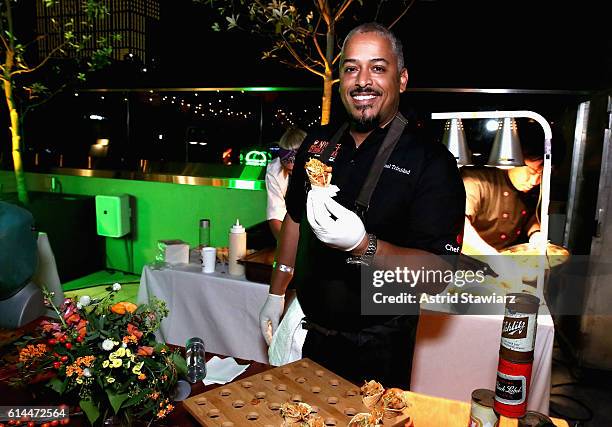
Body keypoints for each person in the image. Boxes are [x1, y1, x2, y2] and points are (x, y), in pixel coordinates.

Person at [258, 23, 465, 388]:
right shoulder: (318, 142)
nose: (362, 81)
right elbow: (294, 218)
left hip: (377, 347)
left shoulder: (432, 162)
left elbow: (437, 276)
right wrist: (276, 292)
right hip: (308, 332)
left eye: (378, 68)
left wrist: (364, 246)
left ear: (401, 80)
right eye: (352, 68)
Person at [461, 142, 544, 257]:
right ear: (513, 159)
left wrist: (536, 235)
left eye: (541, 175)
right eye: (531, 172)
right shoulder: (477, 181)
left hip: (506, 254)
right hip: (468, 260)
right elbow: (458, 226)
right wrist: (492, 257)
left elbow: (530, 217)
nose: (534, 181)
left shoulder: (530, 190)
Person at [265, 127, 307, 240]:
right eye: (289, 171)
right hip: (291, 227)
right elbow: (275, 214)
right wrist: (284, 244)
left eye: (297, 169)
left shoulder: (322, 169)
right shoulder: (275, 170)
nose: (294, 174)